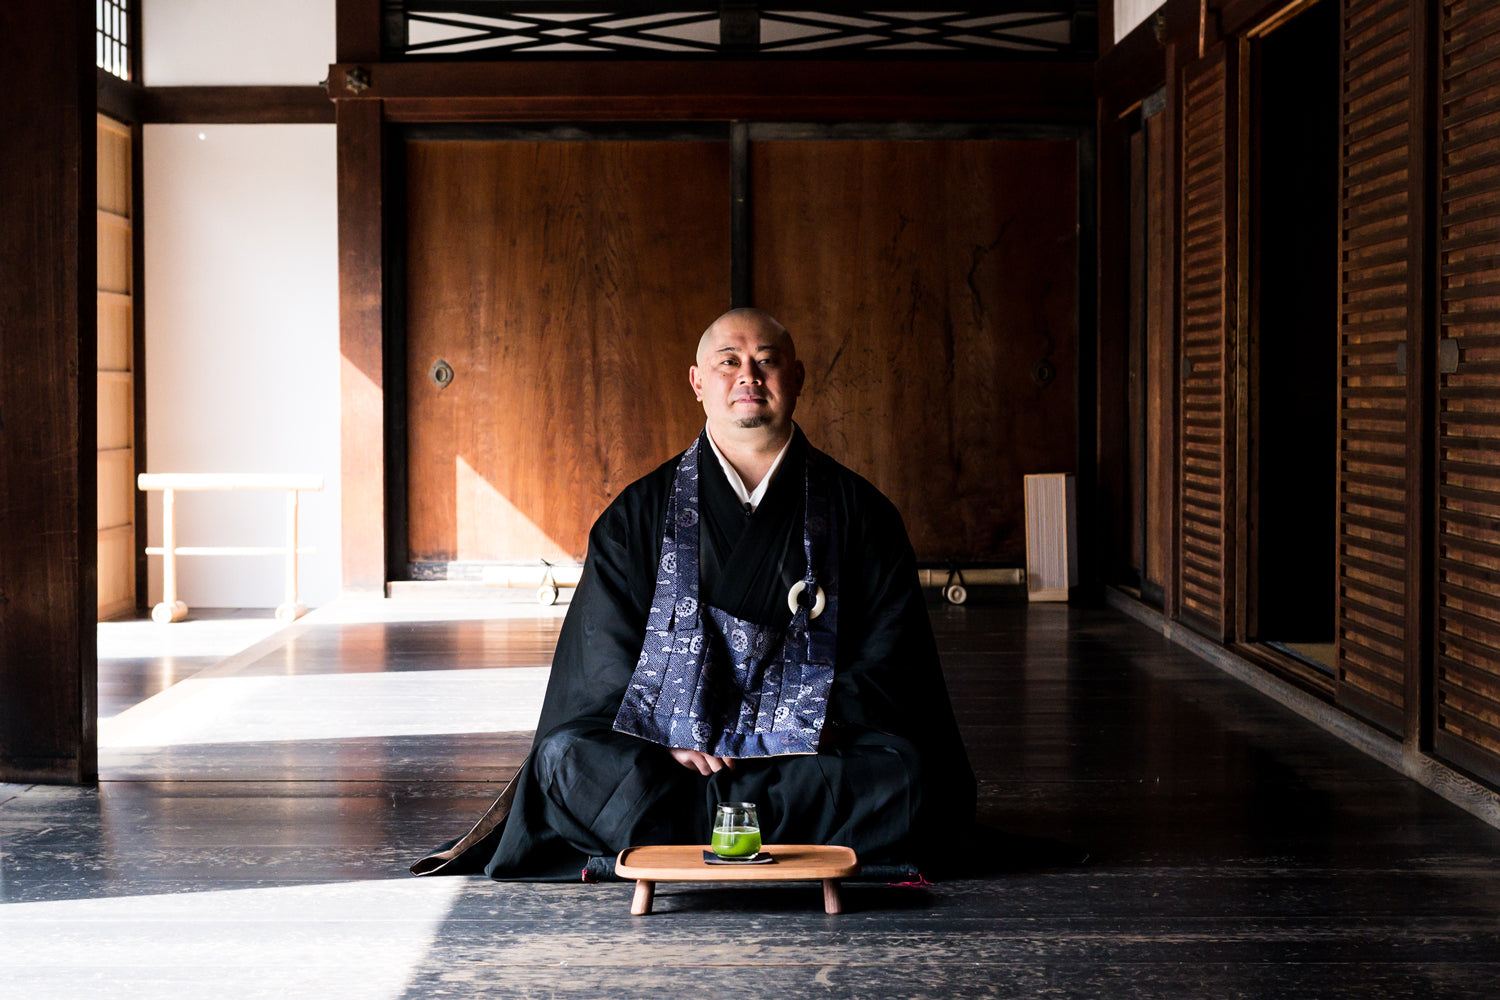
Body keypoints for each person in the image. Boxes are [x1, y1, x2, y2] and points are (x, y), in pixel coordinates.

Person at [413, 308, 974, 881]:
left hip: (805, 754)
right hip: (671, 760)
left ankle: (671, 840)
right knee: (567, 758)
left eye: (767, 361)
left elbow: (891, 656)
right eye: (728, 362)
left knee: (903, 771)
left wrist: (792, 729)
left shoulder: (862, 514)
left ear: (798, 378)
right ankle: (779, 838)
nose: (748, 375)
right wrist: (672, 729)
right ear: (698, 382)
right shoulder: (636, 516)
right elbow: (603, 656)